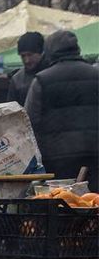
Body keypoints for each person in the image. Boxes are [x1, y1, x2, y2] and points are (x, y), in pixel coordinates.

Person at [24, 29, 99, 192]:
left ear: (49, 51)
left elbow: (28, 123)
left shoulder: (42, 80)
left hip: (56, 159)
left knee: (61, 202)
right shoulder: (96, 75)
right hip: (94, 155)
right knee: (93, 201)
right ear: (77, 48)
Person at [7, 31, 45, 106]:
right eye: (23, 56)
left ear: (41, 53)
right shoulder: (17, 80)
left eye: (30, 55)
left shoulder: (53, 74)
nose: (27, 60)